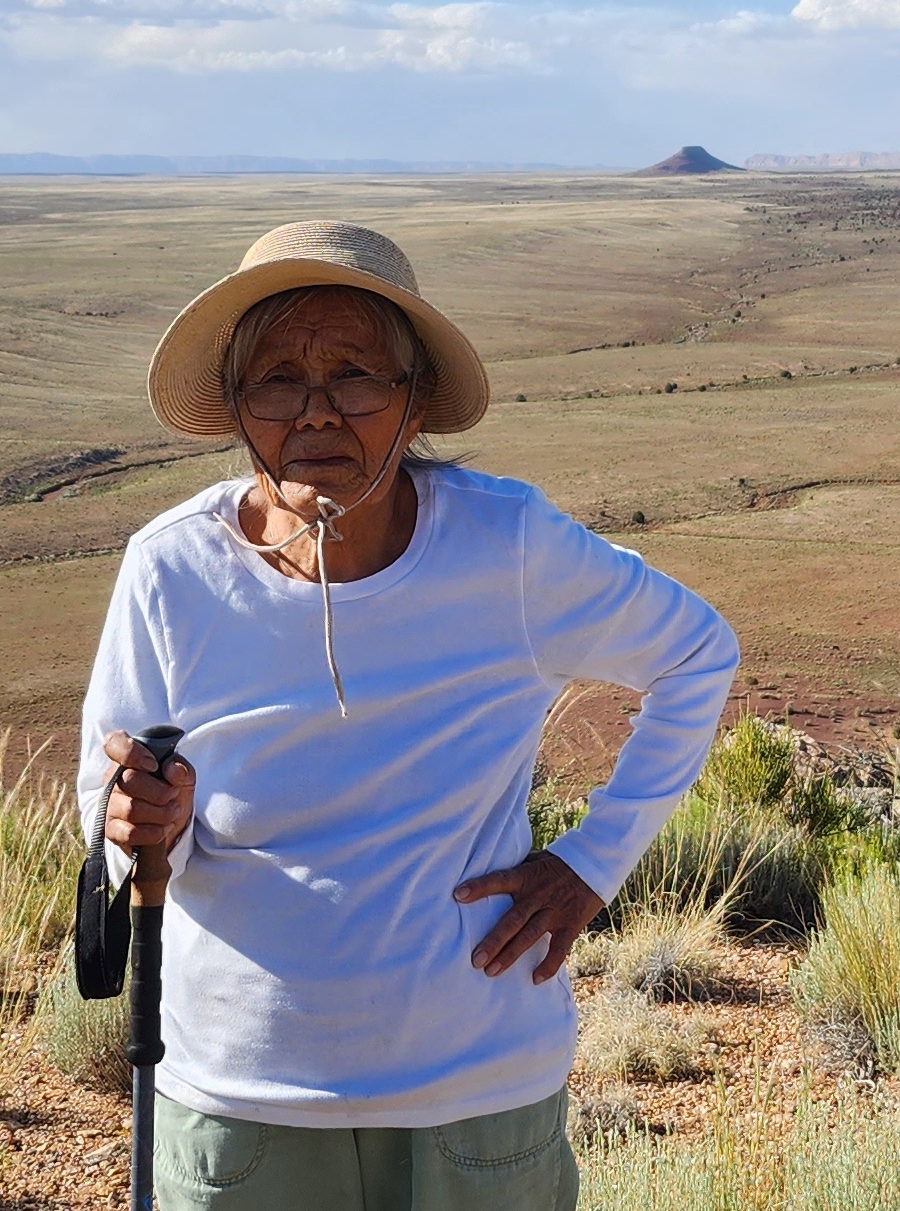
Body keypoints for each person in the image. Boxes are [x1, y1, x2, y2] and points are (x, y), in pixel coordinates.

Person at [78, 220, 738, 1210]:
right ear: (236, 409)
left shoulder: (506, 548)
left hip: (476, 1099)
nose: (316, 414)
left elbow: (696, 654)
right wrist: (132, 831)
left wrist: (592, 864)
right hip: (242, 1099)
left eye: (354, 376)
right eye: (277, 381)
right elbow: (109, 812)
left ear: (413, 398)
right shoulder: (171, 567)